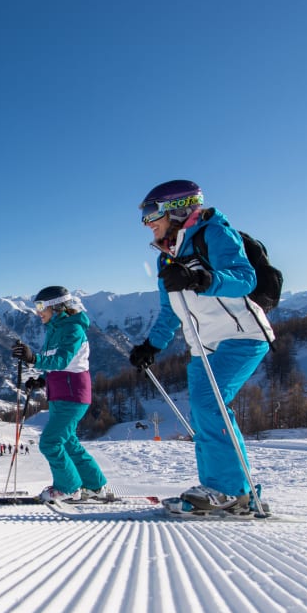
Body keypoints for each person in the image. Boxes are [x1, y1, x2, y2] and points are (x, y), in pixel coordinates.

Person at [129, 180, 275, 515]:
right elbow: (170, 311)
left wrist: (203, 279)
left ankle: (230, 489)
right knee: (205, 410)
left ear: (178, 209)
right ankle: (221, 487)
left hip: (242, 336)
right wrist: (152, 345)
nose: (147, 223)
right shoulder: (167, 258)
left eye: (152, 213)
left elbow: (244, 278)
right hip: (203, 346)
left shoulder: (215, 234)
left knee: (211, 405)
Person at [11, 286, 108, 502]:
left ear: (55, 306)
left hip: (73, 394)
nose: (37, 312)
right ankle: (94, 485)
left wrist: (33, 359)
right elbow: (63, 364)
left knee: (50, 442)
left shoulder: (73, 329)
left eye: (40, 306)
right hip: (60, 392)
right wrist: (42, 379)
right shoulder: (54, 328)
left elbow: (63, 360)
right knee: (68, 442)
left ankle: (67, 488)